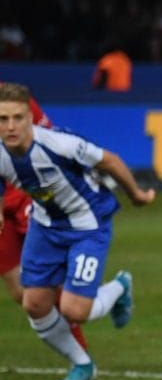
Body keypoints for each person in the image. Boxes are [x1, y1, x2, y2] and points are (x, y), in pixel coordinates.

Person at [0, 82, 156, 380]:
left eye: (17, 117)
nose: (11, 126)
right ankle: (82, 364)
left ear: (30, 118)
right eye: (3, 119)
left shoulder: (59, 144)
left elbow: (109, 160)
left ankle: (119, 287)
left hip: (88, 226)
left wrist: (135, 194)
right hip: (45, 227)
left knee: (74, 310)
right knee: (33, 303)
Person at [0, 86, 87, 349]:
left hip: (28, 194)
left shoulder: (12, 102)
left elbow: (47, 140)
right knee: (19, 290)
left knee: (43, 281)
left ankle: (80, 354)